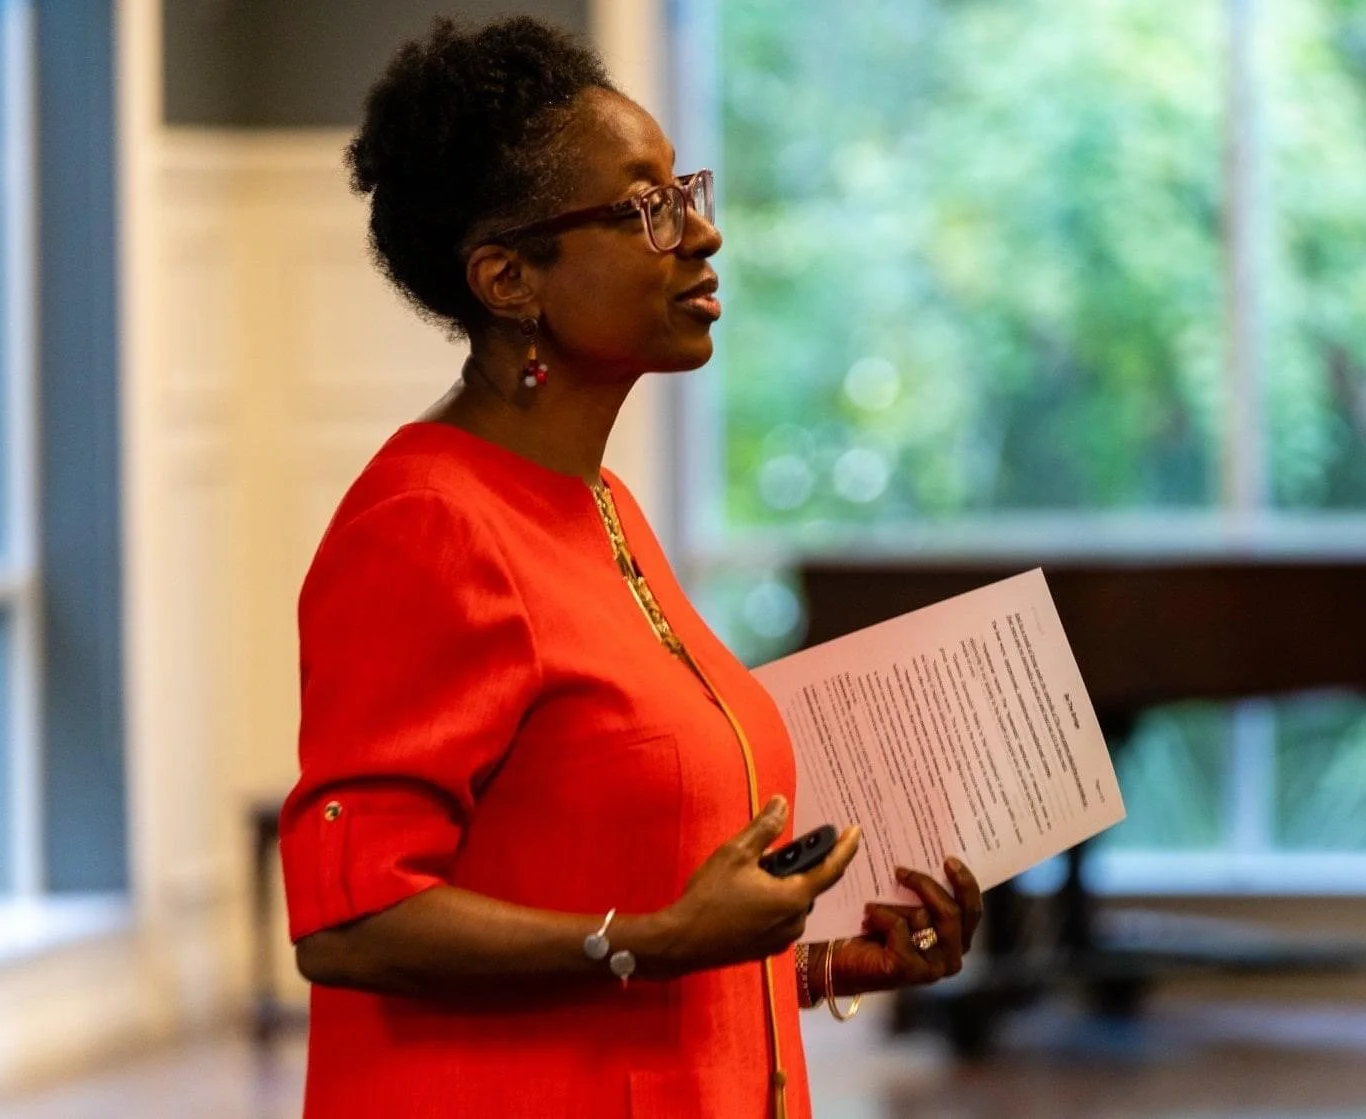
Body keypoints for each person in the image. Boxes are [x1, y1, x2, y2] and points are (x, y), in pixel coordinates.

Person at [277, 16, 983, 1119]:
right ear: (509, 279)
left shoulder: (603, 509)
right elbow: (349, 920)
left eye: (685, 191)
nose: (698, 234)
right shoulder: (425, 525)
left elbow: (599, 893)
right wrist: (650, 943)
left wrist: (830, 964)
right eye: (644, 208)